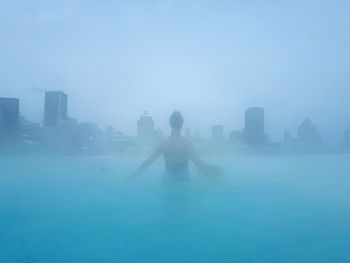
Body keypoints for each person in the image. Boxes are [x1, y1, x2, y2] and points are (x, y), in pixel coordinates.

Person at [132, 111, 218, 181]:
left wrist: (132, 176)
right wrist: (214, 178)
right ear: (182, 124)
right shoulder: (187, 143)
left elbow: (148, 162)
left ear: (170, 123)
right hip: (183, 181)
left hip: (168, 180)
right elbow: (199, 164)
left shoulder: (162, 143)